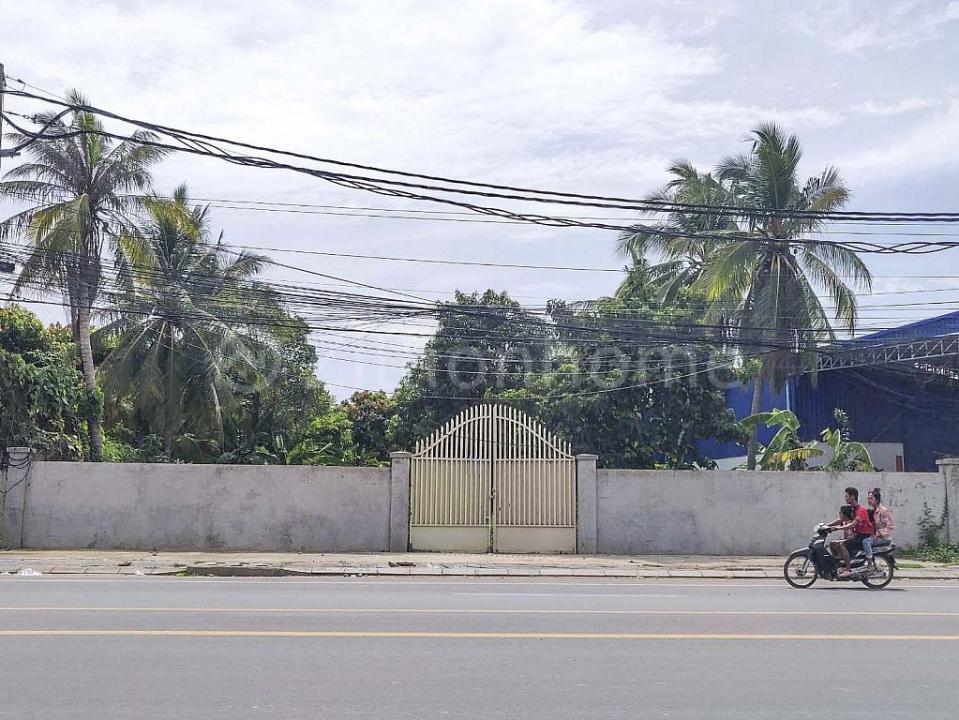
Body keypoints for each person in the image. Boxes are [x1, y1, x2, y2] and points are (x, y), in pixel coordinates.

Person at [826, 487, 875, 578]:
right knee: (833, 544)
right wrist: (825, 525)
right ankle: (841, 563)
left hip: (864, 536)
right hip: (857, 535)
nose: (845, 498)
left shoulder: (861, 510)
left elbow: (852, 525)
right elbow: (841, 519)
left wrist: (836, 528)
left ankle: (847, 568)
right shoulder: (852, 509)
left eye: (846, 496)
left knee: (842, 545)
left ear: (852, 497)